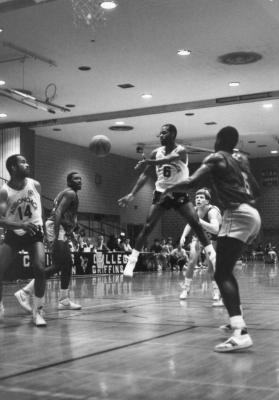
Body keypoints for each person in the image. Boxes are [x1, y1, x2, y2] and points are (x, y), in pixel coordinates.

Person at [163, 126, 261, 352]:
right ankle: (236, 318)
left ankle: (240, 332)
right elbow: (256, 191)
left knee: (221, 273)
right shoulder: (241, 161)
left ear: (218, 140)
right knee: (225, 271)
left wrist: (168, 188)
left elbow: (191, 182)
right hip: (252, 215)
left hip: (236, 213)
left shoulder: (216, 157)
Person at [118, 123, 216, 277]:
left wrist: (150, 162)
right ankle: (131, 262)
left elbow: (170, 159)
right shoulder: (156, 152)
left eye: (164, 133)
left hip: (178, 192)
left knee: (196, 223)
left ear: (173, 134)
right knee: (148, 226)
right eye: (160, 133)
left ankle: (213, 257)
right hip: (161, 193)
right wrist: (132, 194)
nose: (161, 135)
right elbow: (145, 175)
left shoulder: (181, 150)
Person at [15, 171, 82, 312]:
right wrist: (57, 234)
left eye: (80, 179)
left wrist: (70, 234)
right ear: (69, 182)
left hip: (61, 228)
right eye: (76, 179)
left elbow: (66, 215)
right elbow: (58, 213)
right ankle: (25, 292)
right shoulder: (70, 193)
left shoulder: (67, 193)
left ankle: (64, 300)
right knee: (58, 265)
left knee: (66, 264)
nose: (80, 181)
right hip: (57, 228)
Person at [0, 154, 46, 326]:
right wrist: (21, 225)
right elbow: (1, 220)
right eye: (23, 162)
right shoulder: (5, 192)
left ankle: (38, 311)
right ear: (13, 167)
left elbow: (40, 211)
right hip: (15, 234)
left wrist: (41, 228)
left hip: (35, 232)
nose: (27, 164)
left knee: (40, 268)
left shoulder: (35, 185)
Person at [179, 188, 222, 306]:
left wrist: (199, 221)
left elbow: (215, 229)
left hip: (212, 238)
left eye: (201, 197)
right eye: (197, 197)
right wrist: (183, 236)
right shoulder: (194, 209)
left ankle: (216, 291)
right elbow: (189, 223)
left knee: (210, 266)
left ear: (207, 201)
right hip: (198, 237)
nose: (198, 199)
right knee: (192, 261)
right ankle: (186, 289)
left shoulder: (212, 211)